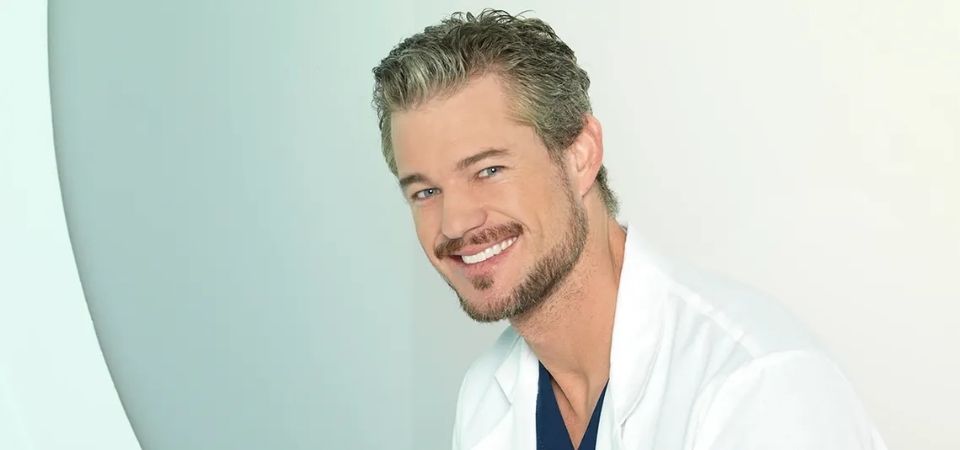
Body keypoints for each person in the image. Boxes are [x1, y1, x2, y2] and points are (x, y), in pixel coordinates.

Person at [371, 9, 888, 450]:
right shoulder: (485, 395)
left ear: (580, 155)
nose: (455, 222)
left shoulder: (757, 385)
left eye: (488, 170)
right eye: (425, 192)